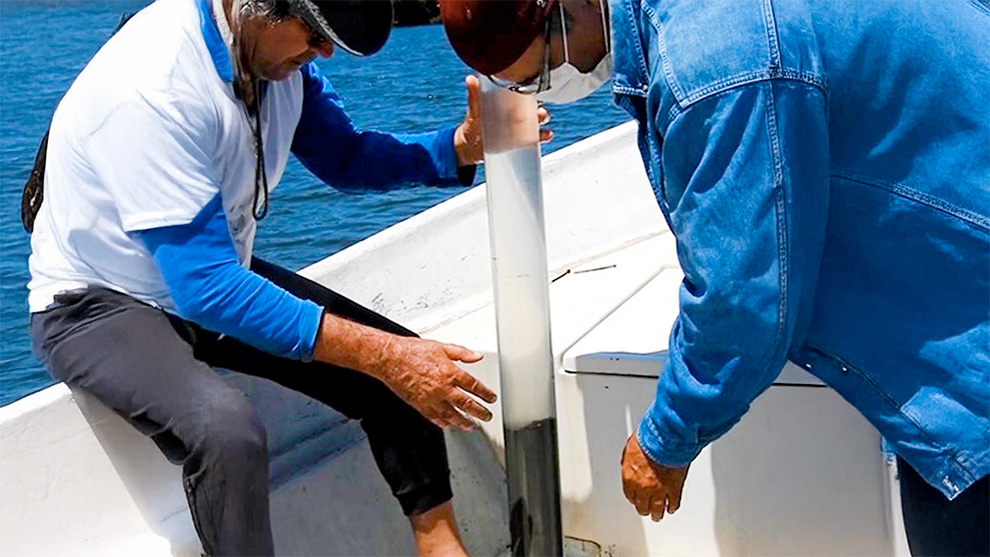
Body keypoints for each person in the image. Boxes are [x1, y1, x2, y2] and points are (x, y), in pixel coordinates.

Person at [438, 0, 989, 554]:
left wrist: (665, 441)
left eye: (538, 76)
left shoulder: (714, 62)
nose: (548, 91)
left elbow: (744, 299)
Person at [24, 0, 549, 555]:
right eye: (315, 34)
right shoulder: (153, 86)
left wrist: (454, 149)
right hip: (93, 302)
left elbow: (344, 156)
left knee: (399, 363)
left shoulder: (275, 57)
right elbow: (207, 290)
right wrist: (384, 356)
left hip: (205, 273)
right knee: (228, 432)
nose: (323, 53)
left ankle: (442, 548)